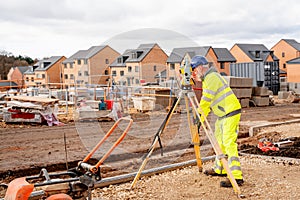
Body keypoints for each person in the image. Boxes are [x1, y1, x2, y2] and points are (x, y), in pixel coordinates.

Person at [190, 55, 244, 187]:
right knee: (219, 142)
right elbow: (206, 104)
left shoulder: (211, 78)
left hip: (230, 112)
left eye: (195, 70)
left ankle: (236, 176)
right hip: (222, 115)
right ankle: (220, 169)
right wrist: (200, 119)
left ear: (201, 67)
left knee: (228, 142)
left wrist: (198, 120)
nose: (195, 73)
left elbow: (205, 102)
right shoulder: (208, 78)